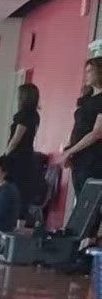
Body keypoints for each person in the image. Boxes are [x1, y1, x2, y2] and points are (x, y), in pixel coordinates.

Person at [57, 58, 102, 217]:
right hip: (79, 155)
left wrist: (72, 151)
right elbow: (77, 127)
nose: (87, 75)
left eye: (90, 71)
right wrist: (68, 150)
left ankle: (90, 237)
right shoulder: (86, 100)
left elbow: (97, 132)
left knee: (91, 200)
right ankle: (83, 237)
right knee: (81, 197)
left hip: (93, 156)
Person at [2, 84, 44, 217]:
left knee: (13, 186)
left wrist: (6, 154)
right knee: (22, 188)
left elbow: (17, 137)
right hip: (27, 154)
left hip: (17, 156)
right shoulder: (35, 115)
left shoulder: (23, 115)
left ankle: (11, 216)